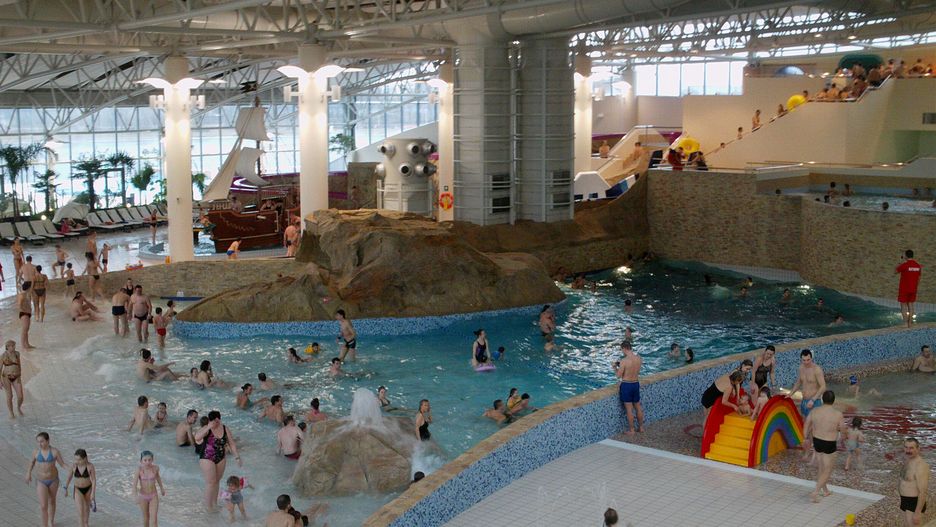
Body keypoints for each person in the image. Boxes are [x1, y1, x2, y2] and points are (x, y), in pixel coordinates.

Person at [802, 390, 845, 503]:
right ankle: (816, 492)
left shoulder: (815, 411)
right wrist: (843, 438)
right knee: (828, 470)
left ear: (822, 399)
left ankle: (825, 490)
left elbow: (806, 424)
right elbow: (843, 430)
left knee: (821, 466)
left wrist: (805, 438)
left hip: (817, 441)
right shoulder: (838, 414)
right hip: (829, 443)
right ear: (833, 401)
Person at [195, 410, 242, 511]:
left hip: (221, 458)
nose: (215, 423)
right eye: (213, 421)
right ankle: (208, 507)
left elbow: (232, 444)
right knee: (210, 482)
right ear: (210, 420)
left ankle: (214, 503)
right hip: (207, 457)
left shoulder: (225, 428)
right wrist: (208, 427)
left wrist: (237, 457)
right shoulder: (206, 428)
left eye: (217, 421)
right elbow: (197, 438)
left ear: (219, 420)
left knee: (216, 481)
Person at [25, 431, 67, 527]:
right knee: (43, 505)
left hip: (53, 480)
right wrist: (28, 473)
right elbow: (32, 463)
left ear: (48, 441)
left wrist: (71, 469)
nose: (40, 444)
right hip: (41, 481)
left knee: (52, 500)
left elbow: (62, 464)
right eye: (38, 442)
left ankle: (51, 522)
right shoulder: (36, 452)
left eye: (42, 441)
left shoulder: (55, 452)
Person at [899, 437, 930, 526]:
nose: (908, 450)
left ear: (918, 448)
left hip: (914, 503)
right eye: (906, 447)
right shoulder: (908, 460)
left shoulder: (920, 466)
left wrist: (917, 512)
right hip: (904, 500)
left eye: (911, 448)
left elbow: (923, 491)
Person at [787, 349, 826, 418]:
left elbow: (823, 386)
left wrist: (813, 400)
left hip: (815, 401)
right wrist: (790, 394)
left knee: (814, 423)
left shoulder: (816, 369)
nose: (806, 362)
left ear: (811, 358)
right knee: (804, 422)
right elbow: (799, 382)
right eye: (804, 360)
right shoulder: (801, 368)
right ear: (801, 359)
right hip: (804, 401)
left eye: (808, 360)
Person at [615, 340, 644, 435]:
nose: (622, 352)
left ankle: (632, 430)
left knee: (629, 409)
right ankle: (641, 427)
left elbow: (618, 375)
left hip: (627, 385)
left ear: (624, 348)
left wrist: (614, 367)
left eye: (622, 349)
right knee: (638, 407)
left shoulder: (624, 361)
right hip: (636, 384)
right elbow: (635, 371)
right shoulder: (639, 358)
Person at [64, 448, 96, 527]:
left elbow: (94, 480)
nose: (77, 461)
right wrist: (65, 488)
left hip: (88, 489)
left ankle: (86, 523)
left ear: (85, 458)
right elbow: (69, 478)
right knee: (80, 511)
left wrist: (93, 493)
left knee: (86, 508)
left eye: (79, 460)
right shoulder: (74, 466)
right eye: (75, 459)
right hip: (78, 490)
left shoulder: (90, 466)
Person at [133, 450, 166, 527]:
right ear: (141, 461)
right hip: (143, 496)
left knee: (154, 520)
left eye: (149, 460)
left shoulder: (155, 468)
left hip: (153, 496)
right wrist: (135, 496)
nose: (147, 462)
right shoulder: (139, 470)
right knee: (146, 518)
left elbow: (158, 477)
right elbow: (134, 485)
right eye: (145, 460)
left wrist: (162, 488)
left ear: (152, 460)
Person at [896, 249, 922, 328]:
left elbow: (895, 271)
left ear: (906, 256)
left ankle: (905, 323)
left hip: (904, 289)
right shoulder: (918, 266)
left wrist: (900, 261)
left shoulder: (904, 265)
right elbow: (919, 278)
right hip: (913, 289)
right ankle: (910, 323)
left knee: (903, 305)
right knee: (911, 304)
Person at [1, 340, 25, 418]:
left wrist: (20, 375)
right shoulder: (3, 356)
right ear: (7, 347)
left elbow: (19, 365)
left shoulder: (17, 354)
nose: (14, 347)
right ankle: (11, 413)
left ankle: (18, 408)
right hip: (6, 377)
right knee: (10, 396)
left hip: (16, 376)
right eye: (12, 346)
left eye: (14, 345)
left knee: (20, 396)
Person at [18, 281, 35, 349]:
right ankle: (23, 346)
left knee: (26, 330)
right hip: (24, 314)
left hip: (27, 313)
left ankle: (27, 344)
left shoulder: (27, 294)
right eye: (31, 286)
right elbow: (19, 305)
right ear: (29, 287)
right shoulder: (22, 295)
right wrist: (25, 310)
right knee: (24, 330)